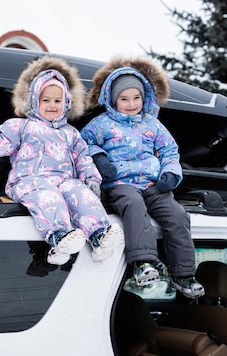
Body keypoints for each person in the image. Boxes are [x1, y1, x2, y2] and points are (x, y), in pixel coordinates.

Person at [0, 56, 123, 265]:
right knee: (49, 196)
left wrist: (91, 179)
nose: (52, 105)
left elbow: (83, 158)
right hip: (30, 179)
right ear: (34, 101)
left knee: (79, 193)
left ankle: (99, 235)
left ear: (66, 103)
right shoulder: (21, 127)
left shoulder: (71, 134)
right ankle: (59, 235)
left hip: (63, 180)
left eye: (57, 101)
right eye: (45, 100)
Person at [80, 55, 204, 299]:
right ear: (113, 99)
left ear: (144, 97)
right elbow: (83, 144)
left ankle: (183, 274)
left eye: (136, 97)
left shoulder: (153, 124)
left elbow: (170, 151)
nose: (131, 103)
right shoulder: (101, 124)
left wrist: (170, 173)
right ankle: (143, 263)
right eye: (124, 98)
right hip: (120, 183)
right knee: (134, 206)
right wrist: (99, 159)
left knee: (177, 215)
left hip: (152, 184)